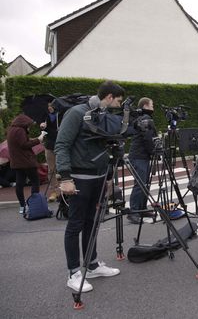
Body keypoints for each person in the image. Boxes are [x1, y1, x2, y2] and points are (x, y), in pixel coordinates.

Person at [55, 81, 123, 293]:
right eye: (119, 101)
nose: (119, 106)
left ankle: (91, 265)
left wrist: (109, 176)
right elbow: (62, 144)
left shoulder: (103, 116)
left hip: (99, 177)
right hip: (79, 177)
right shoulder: (77, 113)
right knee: (75, 224)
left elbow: (105, 148)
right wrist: (65, 177)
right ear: (110, 96)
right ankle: (73, 272)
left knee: (91, 222)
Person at [6, 114, 44, 214]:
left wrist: (34, 139)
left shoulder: (12, 130)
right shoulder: (20, 130)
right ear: (24, 123)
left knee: (19, 183)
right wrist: (39, 140)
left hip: (17, 162)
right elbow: (24, 145)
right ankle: (34, 205)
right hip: (26, 161)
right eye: (29, 124)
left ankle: (22, 206)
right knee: (35, 181)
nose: (29, 126)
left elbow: (20, 142)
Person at [127, 97, 156, 224]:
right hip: (139, 156)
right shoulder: (145, 119)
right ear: (145, 106)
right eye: (151, 105)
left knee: (144, 183)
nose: (153, 107)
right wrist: (154, 151)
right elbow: (148, 139)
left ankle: (142, 208)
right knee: (139, 184)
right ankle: (133, 212)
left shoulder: (141, 119)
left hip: (141, 155)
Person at [40, 103, 60, 202]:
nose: (49, 107)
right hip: (49, 146)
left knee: (64, 168)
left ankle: (67, 190)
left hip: (61, 146)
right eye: (48, 106)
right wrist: (43, 126)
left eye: (51, 105)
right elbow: (44, 130)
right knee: (51, 170)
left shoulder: (60, 115)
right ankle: (55, 191)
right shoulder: (45, 116)